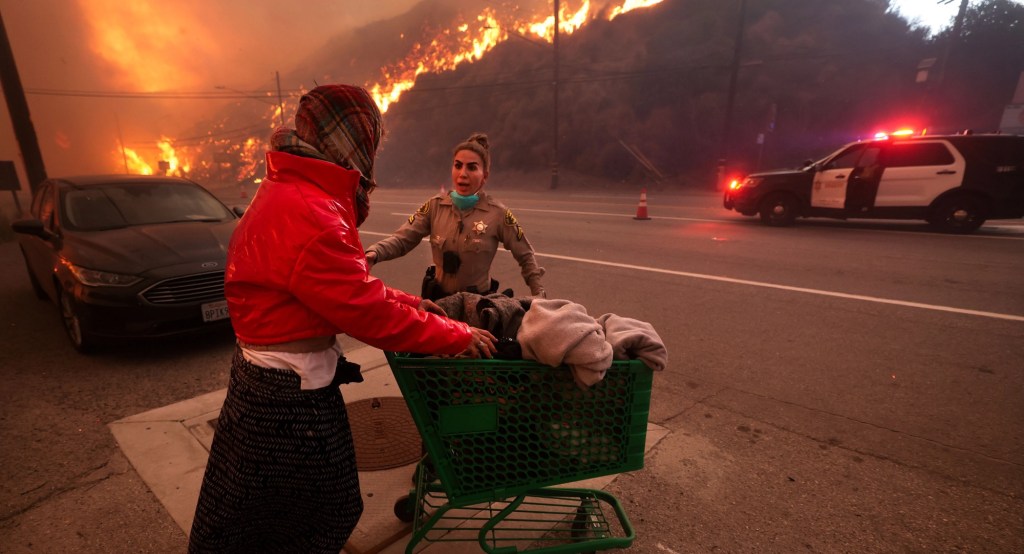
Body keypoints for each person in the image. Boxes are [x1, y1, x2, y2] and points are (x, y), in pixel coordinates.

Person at [188, 84, 496, 553]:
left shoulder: (290, 189)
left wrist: (414, 304)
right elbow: (365, 312)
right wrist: (455, 335)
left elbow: (343, 288)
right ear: (355, 141)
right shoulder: (313, 212)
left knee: (253, 515)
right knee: (323, 509)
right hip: (286, 400)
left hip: (265, 382)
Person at [365, 133, 546, 300]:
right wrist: (375, 253)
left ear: (485, 176)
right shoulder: (434, 206)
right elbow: (402, 239)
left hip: (477, 306)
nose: (463, 173)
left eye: (472, 167)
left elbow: (525, 256)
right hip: (439, 304)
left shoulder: (498, 214)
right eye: (458, 165)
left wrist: (539, 295)